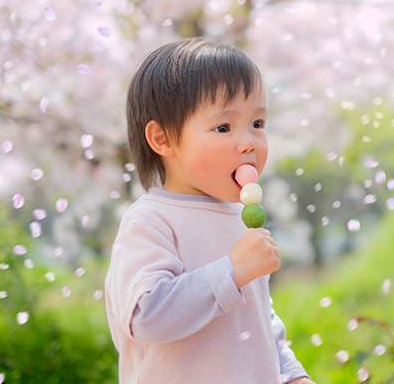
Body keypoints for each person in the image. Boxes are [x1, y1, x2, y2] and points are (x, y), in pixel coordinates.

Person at [105, 37, 315, 384]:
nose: (249, 142)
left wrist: (292, 375)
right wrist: (231, 271)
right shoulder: (151, 221)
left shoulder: (239, 218)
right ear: (162, 139)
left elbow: (258, 321)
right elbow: (144, 315)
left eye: (258, 124)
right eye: (223, 127)